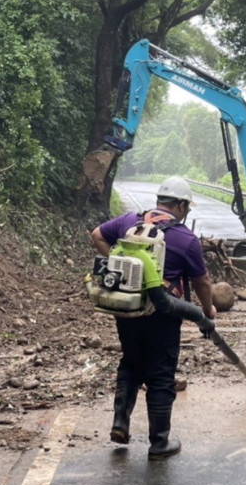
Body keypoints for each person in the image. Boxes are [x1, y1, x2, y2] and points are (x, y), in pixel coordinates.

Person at [90, 176, 216, 459]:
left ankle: (120, 423)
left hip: (127, 307)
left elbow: (97, 235)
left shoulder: (128, 222)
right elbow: (202, 282)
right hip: (163, 313)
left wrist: (119, 269)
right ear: (181, 205)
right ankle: (159, 443)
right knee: (160, 374)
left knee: (131, 361)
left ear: (160, 201)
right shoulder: (185, 238)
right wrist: (207, 311)